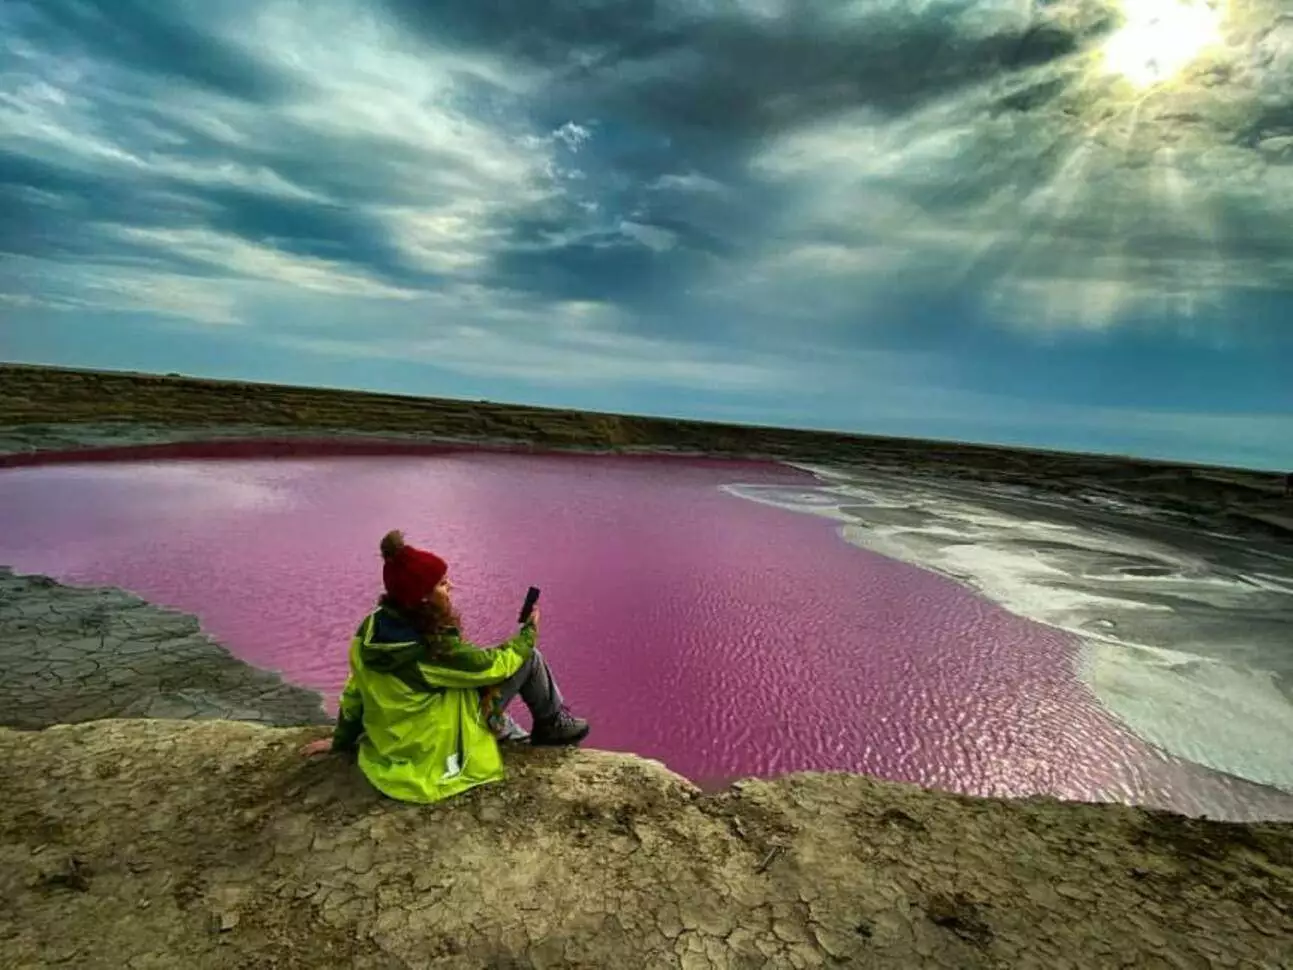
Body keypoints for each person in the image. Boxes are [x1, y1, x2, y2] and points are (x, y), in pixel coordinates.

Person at [299, 530, 590, 803]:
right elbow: (494, 666)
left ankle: (511, 730)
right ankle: (551, 725)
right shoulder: (431, 649)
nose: (451, 586)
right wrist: (529, 631)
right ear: (422, 597)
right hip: (433, 756)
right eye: (441, 583)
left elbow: (355, 693)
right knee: (528, 658)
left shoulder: (370, 630)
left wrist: (341, 740)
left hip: (396, 745)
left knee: (486, 701)